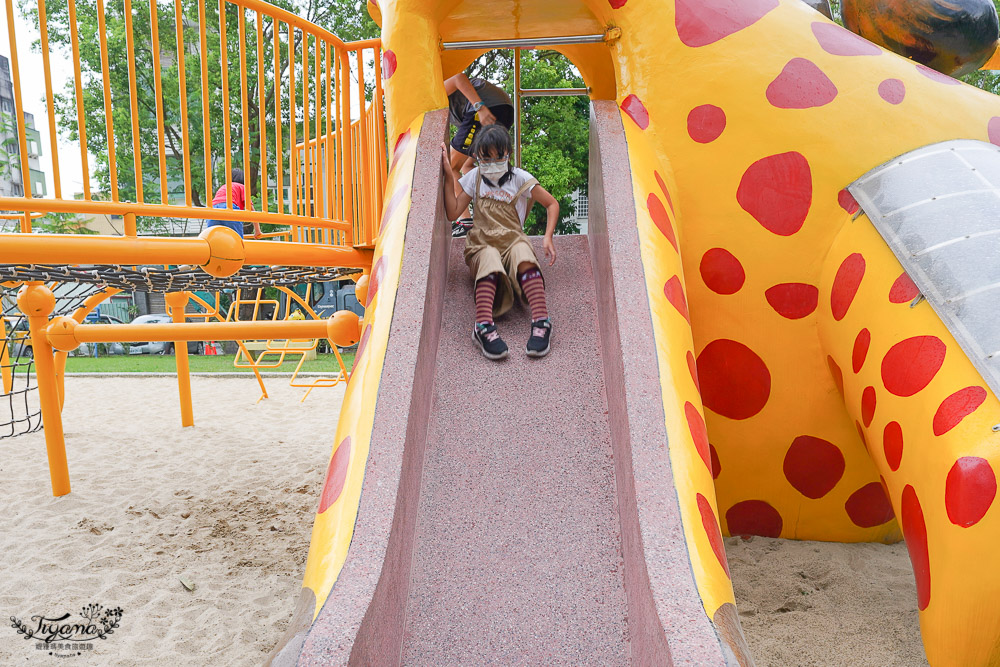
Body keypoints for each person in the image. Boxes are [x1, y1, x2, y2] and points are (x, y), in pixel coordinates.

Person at [441, 124, 559, 360]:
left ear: (508, 154)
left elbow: (551, 203)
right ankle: (483, 326)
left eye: (499, 156)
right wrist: (447, 175)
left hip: (512, 239)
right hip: (482, 243)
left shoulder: (519, 178)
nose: (493, 162)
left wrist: (548, 237)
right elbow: (453, 212)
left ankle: (541, 321)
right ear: (478, 157)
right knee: (489, 258)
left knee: (523, 253)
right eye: (486, 158)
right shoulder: (474, 178)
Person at [207, 168, 262, 239]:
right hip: (229, 208)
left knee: (213, 238)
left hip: (212, 210)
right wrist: (257, 230)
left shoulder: (223, 187)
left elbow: (218, 201)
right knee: (237, 239)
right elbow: (251, 210)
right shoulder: (241, 187)